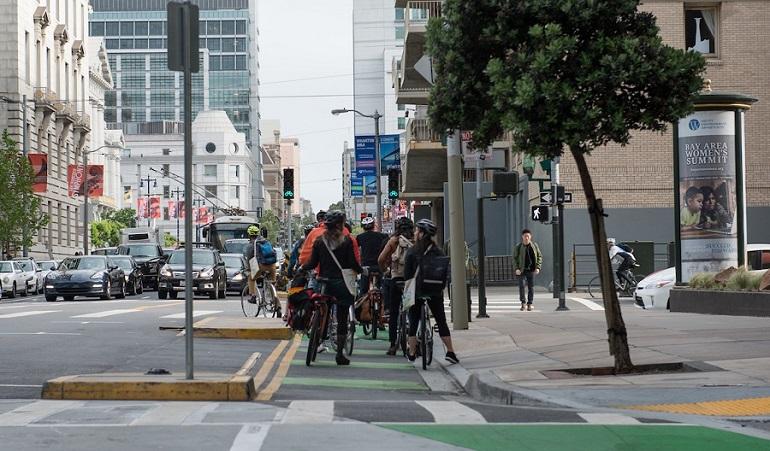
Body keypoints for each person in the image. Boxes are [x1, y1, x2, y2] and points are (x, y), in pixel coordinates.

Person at [301, 211, 363, 365]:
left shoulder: (319, 241)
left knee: (323, 311)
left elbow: (312, 263)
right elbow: (352, 264)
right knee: (342, 317)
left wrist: (301, 268)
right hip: (342, 284)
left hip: (324, 283)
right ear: (340, 225)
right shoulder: (347, 241)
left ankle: (318, 337)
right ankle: (340, 354)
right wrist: (362, 270)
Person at [404, 219, 458, 364]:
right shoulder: (438, 251)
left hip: (416, 292)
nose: (415, 233)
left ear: (421, 234)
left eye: (417, 231)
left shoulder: (412, 252)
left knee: (414, 321)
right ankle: (451, 352)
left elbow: (407, 275)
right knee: (441, 321)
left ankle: (412, 352)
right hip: (434, 291)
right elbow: (444, 273)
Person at [379, 217, 414, 355]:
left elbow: (381, 259)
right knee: (413, 310)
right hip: (412, 280)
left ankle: (393, 345)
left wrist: (386, 271)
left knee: (394, 311)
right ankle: (415, 343)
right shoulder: (416, 240)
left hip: (397, 279)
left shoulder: (393, 240)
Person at [243, 225, 281, 313]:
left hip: (261, 265)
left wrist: (248, 269)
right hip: (272, 266)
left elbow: (249, 259)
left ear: (249, 235)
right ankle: (278, 307)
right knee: (272, 287)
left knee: (251, 278)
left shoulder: (251, 245)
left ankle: (253, 296)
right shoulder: (266, 241)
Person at [356, 216, 388, 295]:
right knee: (384, 288)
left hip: (366, 267)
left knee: (363, 290)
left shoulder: (359, 237)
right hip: (379, 266)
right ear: (374, 226)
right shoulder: (383, 236)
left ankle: (360, 304)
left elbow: (356, 250)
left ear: (363, 227)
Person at [513, 229, 542, 311]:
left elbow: (539, 256)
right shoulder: (518, 247)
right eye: (525, 236)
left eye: (528, 236)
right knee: (521, 286)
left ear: (530, 237)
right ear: (522, 237)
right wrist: (517, 268)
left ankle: (530, 303)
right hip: (522, 270)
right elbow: (514, 258)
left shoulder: (534, 246)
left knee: (531, 287)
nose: (526, 238)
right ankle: (523, 303)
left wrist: (538, 267)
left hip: (531, 270)